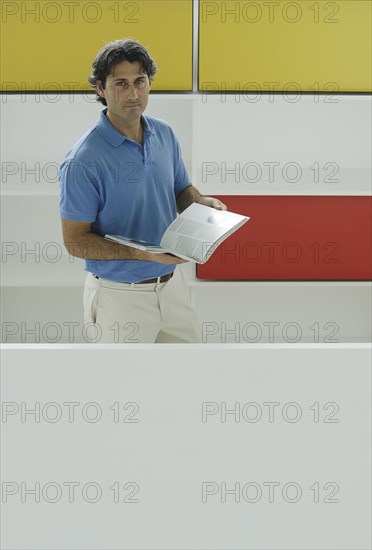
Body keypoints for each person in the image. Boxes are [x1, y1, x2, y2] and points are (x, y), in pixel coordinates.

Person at [59, 38, 226, 343]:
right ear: (100, 89)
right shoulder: (82, 160)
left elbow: (180, 189)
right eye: (120, 83)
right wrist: (144, 255)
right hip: (119, 297)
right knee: (122, 390)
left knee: (188, 379)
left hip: (173, 287)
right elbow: (75, 242)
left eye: (140, 81)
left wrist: (201, 203)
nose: (133, 93)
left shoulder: (163, 133)